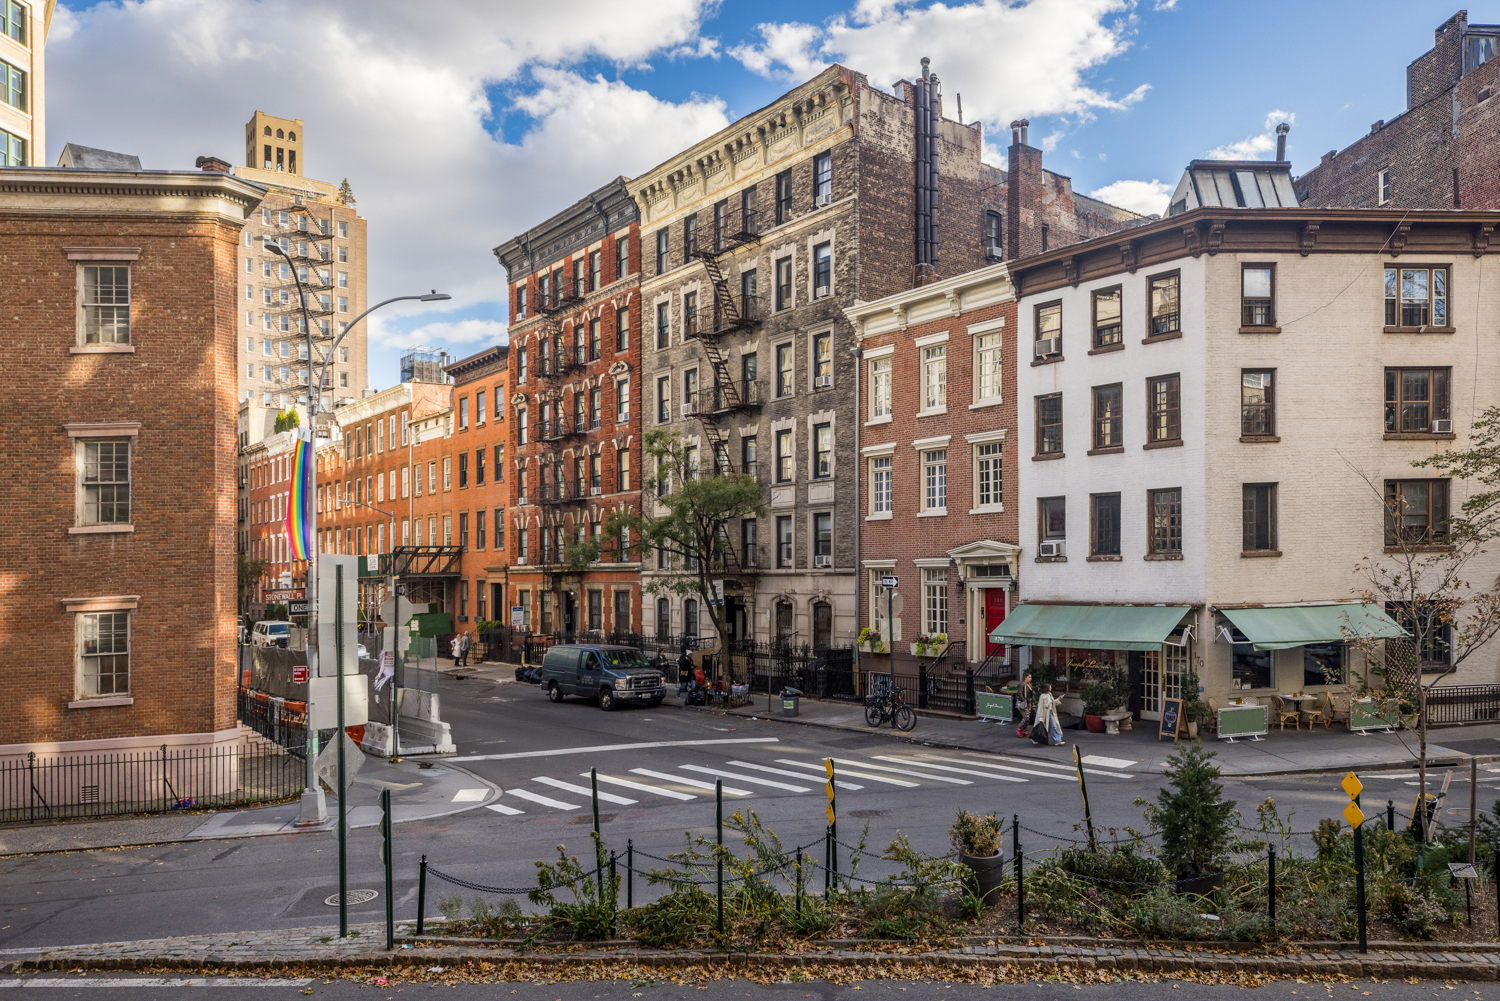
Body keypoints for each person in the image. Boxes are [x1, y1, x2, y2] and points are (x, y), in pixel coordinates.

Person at [1015, 672, 1034, 738]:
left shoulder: (1029, 684)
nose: (1030, 678)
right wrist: (1023, 700)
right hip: (1024, 703)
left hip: (1029, 703)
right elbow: (1020, 693)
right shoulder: (1022, 684)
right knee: (1026, 717)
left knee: (1028, 718)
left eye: (1031, 677)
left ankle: (1025, 731)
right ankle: (1019, 728)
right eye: (1029, 677)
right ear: (1025, 677)